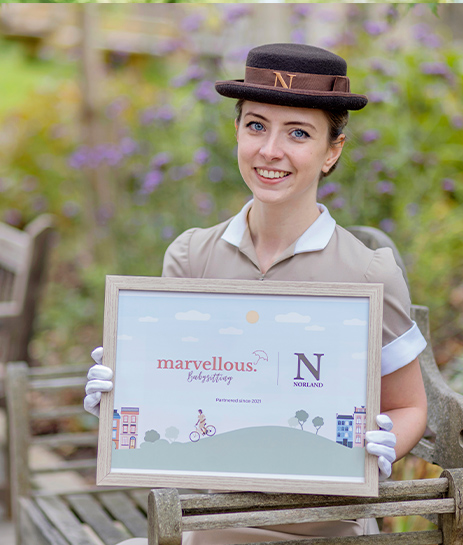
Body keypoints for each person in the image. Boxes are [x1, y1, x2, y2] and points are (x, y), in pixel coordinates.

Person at [85, 43, 428, 543]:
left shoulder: (367, 272)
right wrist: (124, 397)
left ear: (333, 150)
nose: (270, 150)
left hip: (322, 528)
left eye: (298, 133)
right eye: (255, 125)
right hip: (206, 524)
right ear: (238, 134)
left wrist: (381, 443)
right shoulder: (192, 258)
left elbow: (408, 406)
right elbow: (177, 395)